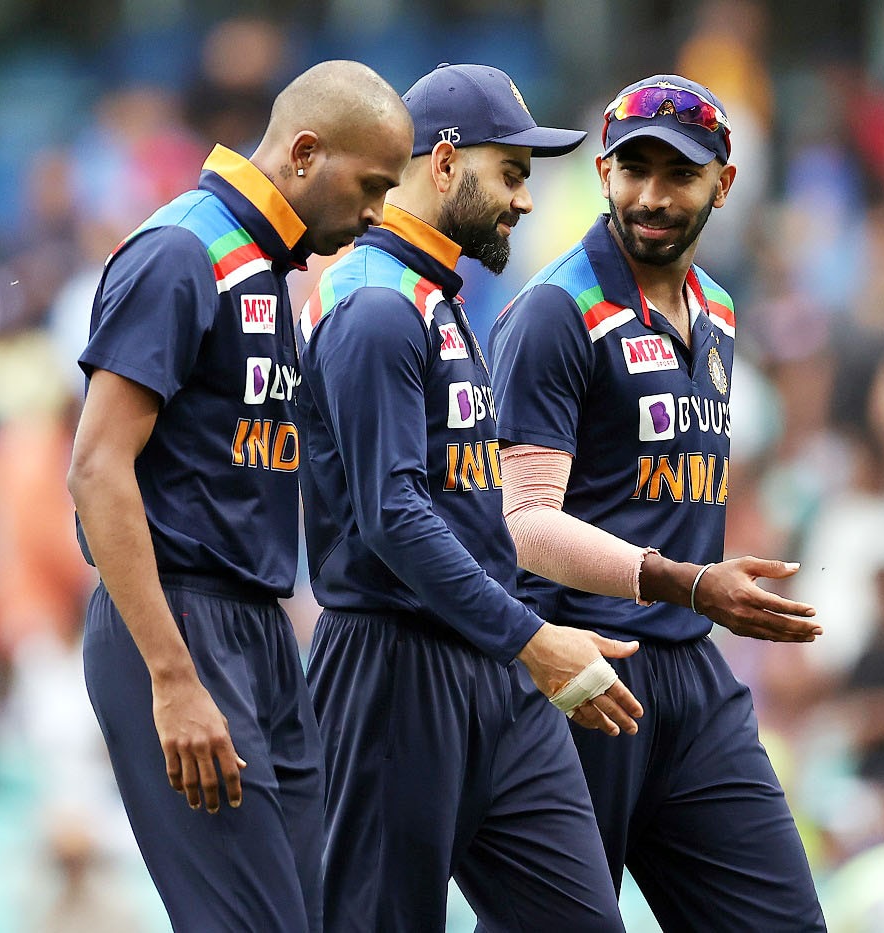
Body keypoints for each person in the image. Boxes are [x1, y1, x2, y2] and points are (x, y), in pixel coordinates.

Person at [67, 61, 412, 931]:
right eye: (371, 186)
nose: (377, 213)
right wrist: (172, 675)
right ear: (304, 152)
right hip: (178, 623)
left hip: (257, 630)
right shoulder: (183, 251)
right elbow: (97, 467)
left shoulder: (264, 268)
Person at [296, 63, 639, 932]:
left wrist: (525, 638)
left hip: (491, 667)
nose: (525, 202)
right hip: (392, 670)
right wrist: (534, 638)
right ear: (443, 163)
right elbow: (393, 515)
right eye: (512, 173)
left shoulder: (437, 299)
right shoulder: (373, 303)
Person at [489, 74, 828, 932]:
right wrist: (687, 581)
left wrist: (710, 589)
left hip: (693, 678)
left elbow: (678, 490)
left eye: (678, 174)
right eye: (632, 168)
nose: (650, 194)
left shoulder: (715, 306)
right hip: (580, 669)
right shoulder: (556, 311)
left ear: (724, 183)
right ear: (602, 171)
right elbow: (523, 523)